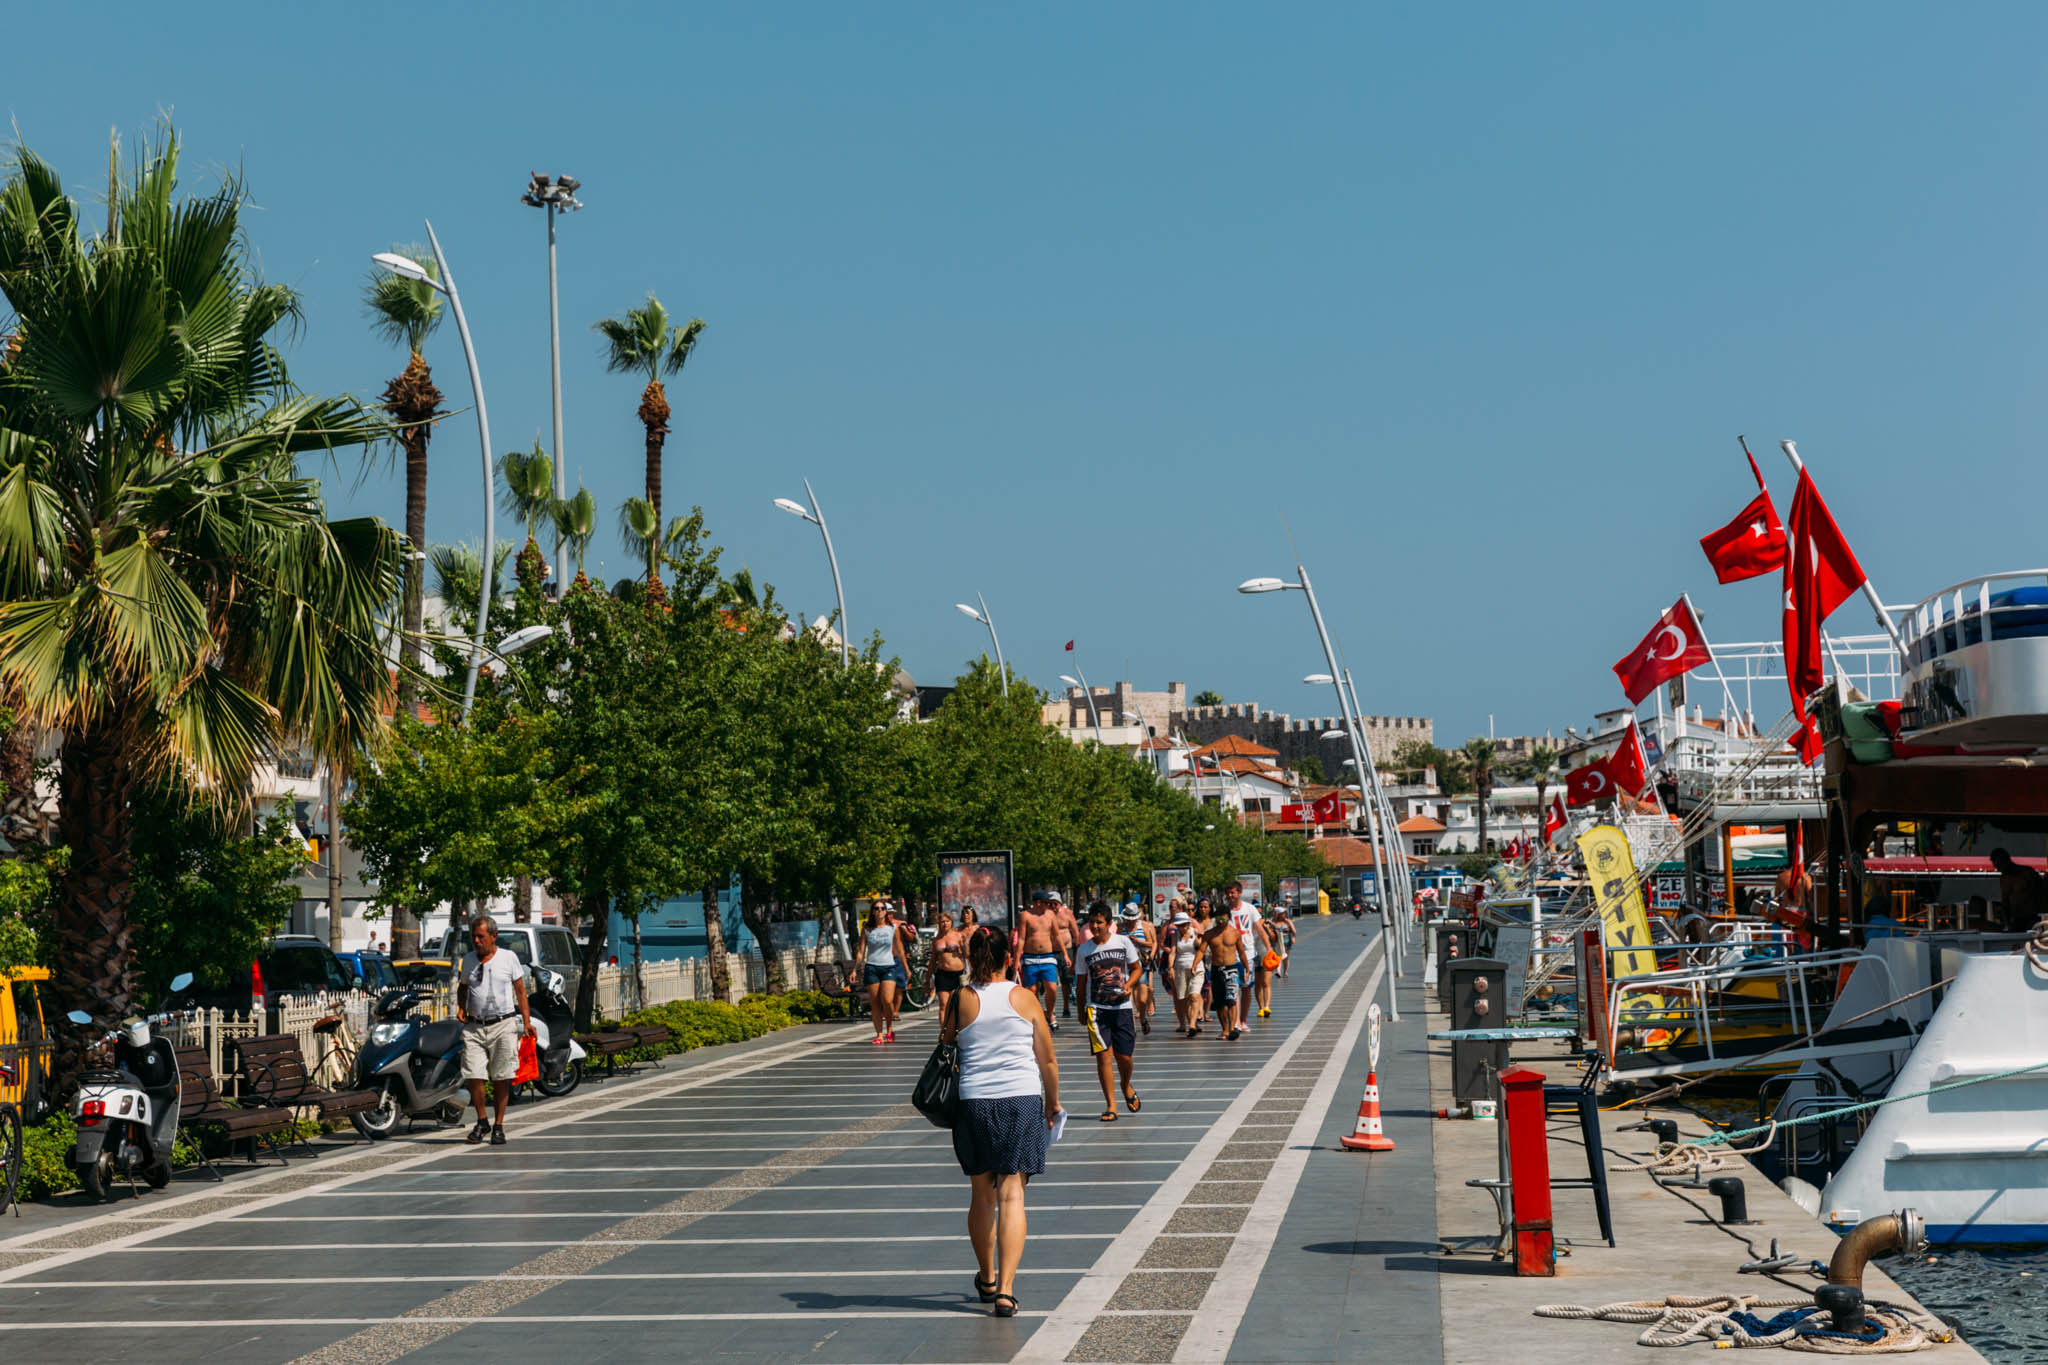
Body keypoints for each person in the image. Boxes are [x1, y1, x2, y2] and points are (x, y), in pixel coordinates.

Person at [948, 924, 1060, 1320]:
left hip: (974, 1100)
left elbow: (948, 1045)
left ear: (972, 957)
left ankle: (987, 1276)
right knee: (1013, 1194)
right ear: (1007, 957)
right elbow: (1046, 1057)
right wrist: (1054, 1104)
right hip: (1021, 1098)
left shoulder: (961, 997)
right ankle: (1007, 1293)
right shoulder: (1025, 997)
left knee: (982, 1194)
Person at [456, 916, 534, 1146]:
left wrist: (526, 1022)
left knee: (502, 1076)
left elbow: (520, 991)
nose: (477, 941)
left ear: (494, 936)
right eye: (474, 937)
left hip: (503, 1024)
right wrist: (461, 1007)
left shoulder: (508, 958)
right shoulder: (469, 960)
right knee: (473, 1074)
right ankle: (482, 1120)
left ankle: (498, 1126)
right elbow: (463, 987)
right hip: (475, 1026)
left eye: (481, 936)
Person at [1076, 903, 1142, 1120]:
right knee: (1103, 1058)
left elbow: (1136, 968)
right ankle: (1111, 1105)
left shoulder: (1122, 942)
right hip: (1096, 1009)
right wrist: (1080, 1010)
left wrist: (1129, 985)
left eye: (1099, 922)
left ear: (1109, 924)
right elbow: (1081, 980)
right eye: (1092, 922)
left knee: (1124, 1057)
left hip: (1122, 1008)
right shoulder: (1084, 950)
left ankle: (1125, 1085)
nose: (1095, 926)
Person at [855, 902, 915, 1044]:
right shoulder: (867, 929)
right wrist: (855, 968)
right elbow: (861, 951)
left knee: (887, 1000)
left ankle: (889, 1029)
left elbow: (900, 950)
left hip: (889, 966)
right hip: (872, 967)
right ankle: (879, 1034)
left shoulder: (893, 928)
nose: (880, 911)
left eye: (883, 909)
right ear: (873, 912)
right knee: (875, 1002)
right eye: (877, 908)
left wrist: (906, 969)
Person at [1013, 890, 1069, 1032]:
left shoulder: (1050, 915)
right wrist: (1017, 960)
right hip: (1030, 958)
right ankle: (1036, 1016)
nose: (1049, 906)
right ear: (1038, 902)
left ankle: (1050, 1014)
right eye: (1047, 903)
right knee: (1032, 991)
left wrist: (1065, 954)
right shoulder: (1026, 915)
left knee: (1052, 988)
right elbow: (1021, 939)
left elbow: (1056, 936)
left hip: (1047, 956)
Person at [1223, 882, 1271, 1023]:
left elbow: (1260, 930)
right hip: (1229, 955)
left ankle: (1243, 1021)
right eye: (1228, 893)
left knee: (1246, 989)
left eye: (1233, 892)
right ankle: (1235, 1021)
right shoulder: (1224, 911)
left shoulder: (1249, 909)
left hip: (1248, 955)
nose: (1230, 895)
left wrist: (1269, 949)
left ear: (1240, 893)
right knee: (1233, 989)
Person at [1202, 903, 1246, 1040]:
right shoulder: (1209, 934)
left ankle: (1233, 1028)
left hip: (1231, 968)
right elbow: (1201, 951)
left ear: (1229, 918)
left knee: (1231, 1000)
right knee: (1220, 1003)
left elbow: (1242, 952)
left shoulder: (1235, 933)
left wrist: (1247, 968)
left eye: (1224, 919)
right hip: (1216, 969)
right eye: (1218, 919)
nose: (1221, 922)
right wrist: (1194, 964)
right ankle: (1225, 1030)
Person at [1169, 904, 1205, 1036]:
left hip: (1196, 967)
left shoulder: (1194, 932)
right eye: (1180, 925)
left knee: (1194, 995)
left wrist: (1197, 939)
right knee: (1183, 998)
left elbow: (1202, 948)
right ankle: (1192, 1022)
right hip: (1180, 968)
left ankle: (1192, 1025)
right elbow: (1173, 952)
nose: (1183, 928)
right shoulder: (1175, 936)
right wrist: (1170, 967)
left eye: (1184, 925)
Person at [1990, 849, 2045, 933]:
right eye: (1997, 867)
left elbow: (2042, 894)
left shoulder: (2027, 873)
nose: (1998, 869)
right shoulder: (2004, 878)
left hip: (2033, 917)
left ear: (2006, 860)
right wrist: (2007, 922)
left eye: (2000, 865)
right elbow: (2005, 902)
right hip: (2016, 919)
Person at [1121, 904, 1155, 1036]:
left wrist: (1136, 941)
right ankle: (1132, 1027)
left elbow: (1151, 943)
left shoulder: (1143, 927)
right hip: (1125, 965)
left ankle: (1142, 1018)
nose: (1130, 920)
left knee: (1141, 998)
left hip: (1141, 965)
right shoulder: (1121, 928)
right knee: (1128, 996)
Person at [1050, 892, 1083, 1019]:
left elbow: (1075, 932)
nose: (1053, 906)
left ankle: (1066, 1007)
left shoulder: (1067, 913)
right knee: (1051, 981)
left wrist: (1077, 951)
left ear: (1060, 903)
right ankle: (1051, 1009)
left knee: (1065, 981)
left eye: (1055, 903)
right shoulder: (1046, 914)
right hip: (1050, 951)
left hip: (1066, 951)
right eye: (1051, 903)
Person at [931, 910, 969, 1018]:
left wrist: (965, 944)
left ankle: (955, 1030)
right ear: (939, 924)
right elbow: (933, 960)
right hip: (942, 974)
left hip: (957, 974)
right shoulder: (936, 940)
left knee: (957, 1005)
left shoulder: (958, 936)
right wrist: (927, 977)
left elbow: (967, 955)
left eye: (947, 921)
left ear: (951, 922)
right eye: (942, 922)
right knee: (943, 1005)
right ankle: (944, 1032)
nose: (945, 924)